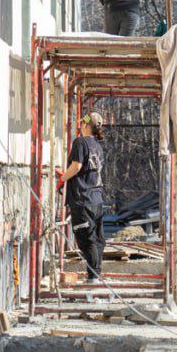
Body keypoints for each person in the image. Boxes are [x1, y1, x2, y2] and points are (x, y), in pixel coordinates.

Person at [59, 112, 107, 280]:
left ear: (86, 125)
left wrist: (63, 177)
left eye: (82, 123)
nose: (80, 125)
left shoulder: (80, 142)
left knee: (86, 239)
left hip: (82, 199)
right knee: (97, 239)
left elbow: (77, 166)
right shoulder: (98, 146)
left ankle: (93, 279)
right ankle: (96, 275)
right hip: (96, 198)